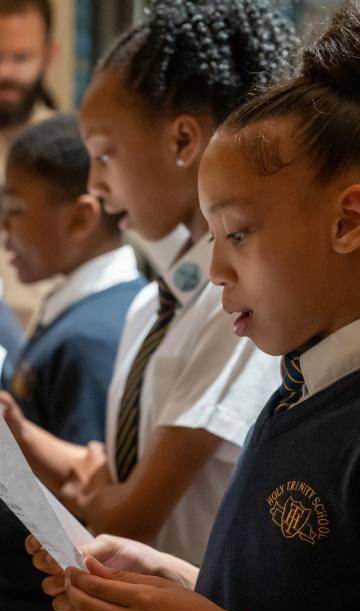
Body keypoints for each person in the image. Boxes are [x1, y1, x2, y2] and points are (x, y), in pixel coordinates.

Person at [27, 1, 360, 611]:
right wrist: (175, 582)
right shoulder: (299, 391)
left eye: (236, 233)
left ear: (346, 222)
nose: (214, 271)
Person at [1, 0, 294, 570]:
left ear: (183, 142)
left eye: (105, 154)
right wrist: (22, 434)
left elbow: (126, 517)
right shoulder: (152, 303)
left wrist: (99, 490)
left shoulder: (236, 305)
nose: (95, 184)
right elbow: (116, 473)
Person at [0, 114, 146, 611]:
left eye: (15, 213)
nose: (4, 229)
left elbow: (79, 517)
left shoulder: (92, 336)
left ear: (82, 219)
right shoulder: (74, 312)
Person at [0, 0, 57, 330]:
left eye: (20, 57)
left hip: (50, 351)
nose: (4, 72)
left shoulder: (82, 151)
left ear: (49, 55)